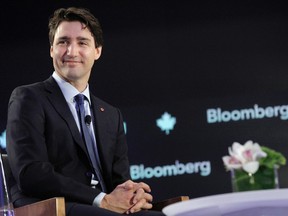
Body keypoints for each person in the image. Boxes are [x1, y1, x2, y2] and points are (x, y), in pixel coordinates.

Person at [6, 7, 164, 216]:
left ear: (97, 51)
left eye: (82, 42)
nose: (71, 51)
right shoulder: (28, 98)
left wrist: (133, 195)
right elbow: (32, 174)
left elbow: (119, 181)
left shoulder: (110, 114)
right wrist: (100, 199)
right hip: (55, 207)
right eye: (63, 42)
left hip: (102, 207)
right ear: (52, 49)